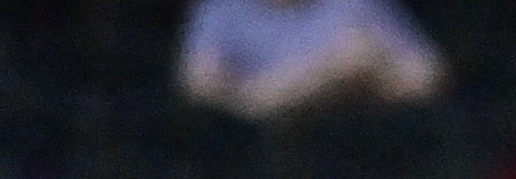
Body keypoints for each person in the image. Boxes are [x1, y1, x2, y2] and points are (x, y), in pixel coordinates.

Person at [175, 0, 444, 116]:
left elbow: (427, 77)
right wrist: (319, 76)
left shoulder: (355, 6)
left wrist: (374, 77)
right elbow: (199, 88)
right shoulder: (222, 9)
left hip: (354, 140)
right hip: (257, 159)